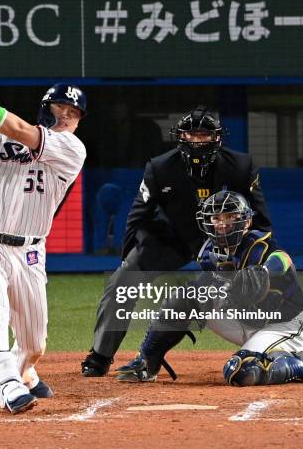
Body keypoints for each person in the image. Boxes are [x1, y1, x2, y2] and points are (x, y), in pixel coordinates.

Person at [81, 106, 272, 377]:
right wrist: (127, 257)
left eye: (203, 136)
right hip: (173, 240)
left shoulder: (241, 166)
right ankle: (100, 355)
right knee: (123, 280)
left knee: (252, 282)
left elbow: (261, 220)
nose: (197, 141)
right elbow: (138, 215)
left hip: (224, 242)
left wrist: (255, 259)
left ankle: (272, 339)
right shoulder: (159, 167)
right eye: (191, 135)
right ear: (180, 138)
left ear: (217, 138)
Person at [0, 80, 87, 413]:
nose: (66, 117)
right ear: (45, 107)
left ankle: (22, 372)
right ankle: (8, 385)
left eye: (74, 113)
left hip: (30, 252)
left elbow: (23, 130)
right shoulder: (3, 137)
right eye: (60, 108)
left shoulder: (71, 148)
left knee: (34, 343)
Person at [116, 190, 303, 386]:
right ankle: (147, 360)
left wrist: (264, 273)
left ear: (246, 222)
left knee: (241, 371)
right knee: (185, 296)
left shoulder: (261, 247)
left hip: (284, 325)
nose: (222, 224)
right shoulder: (208, 254)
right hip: (245, 319)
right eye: (216, 218)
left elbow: (282, 260)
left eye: (230, 217)